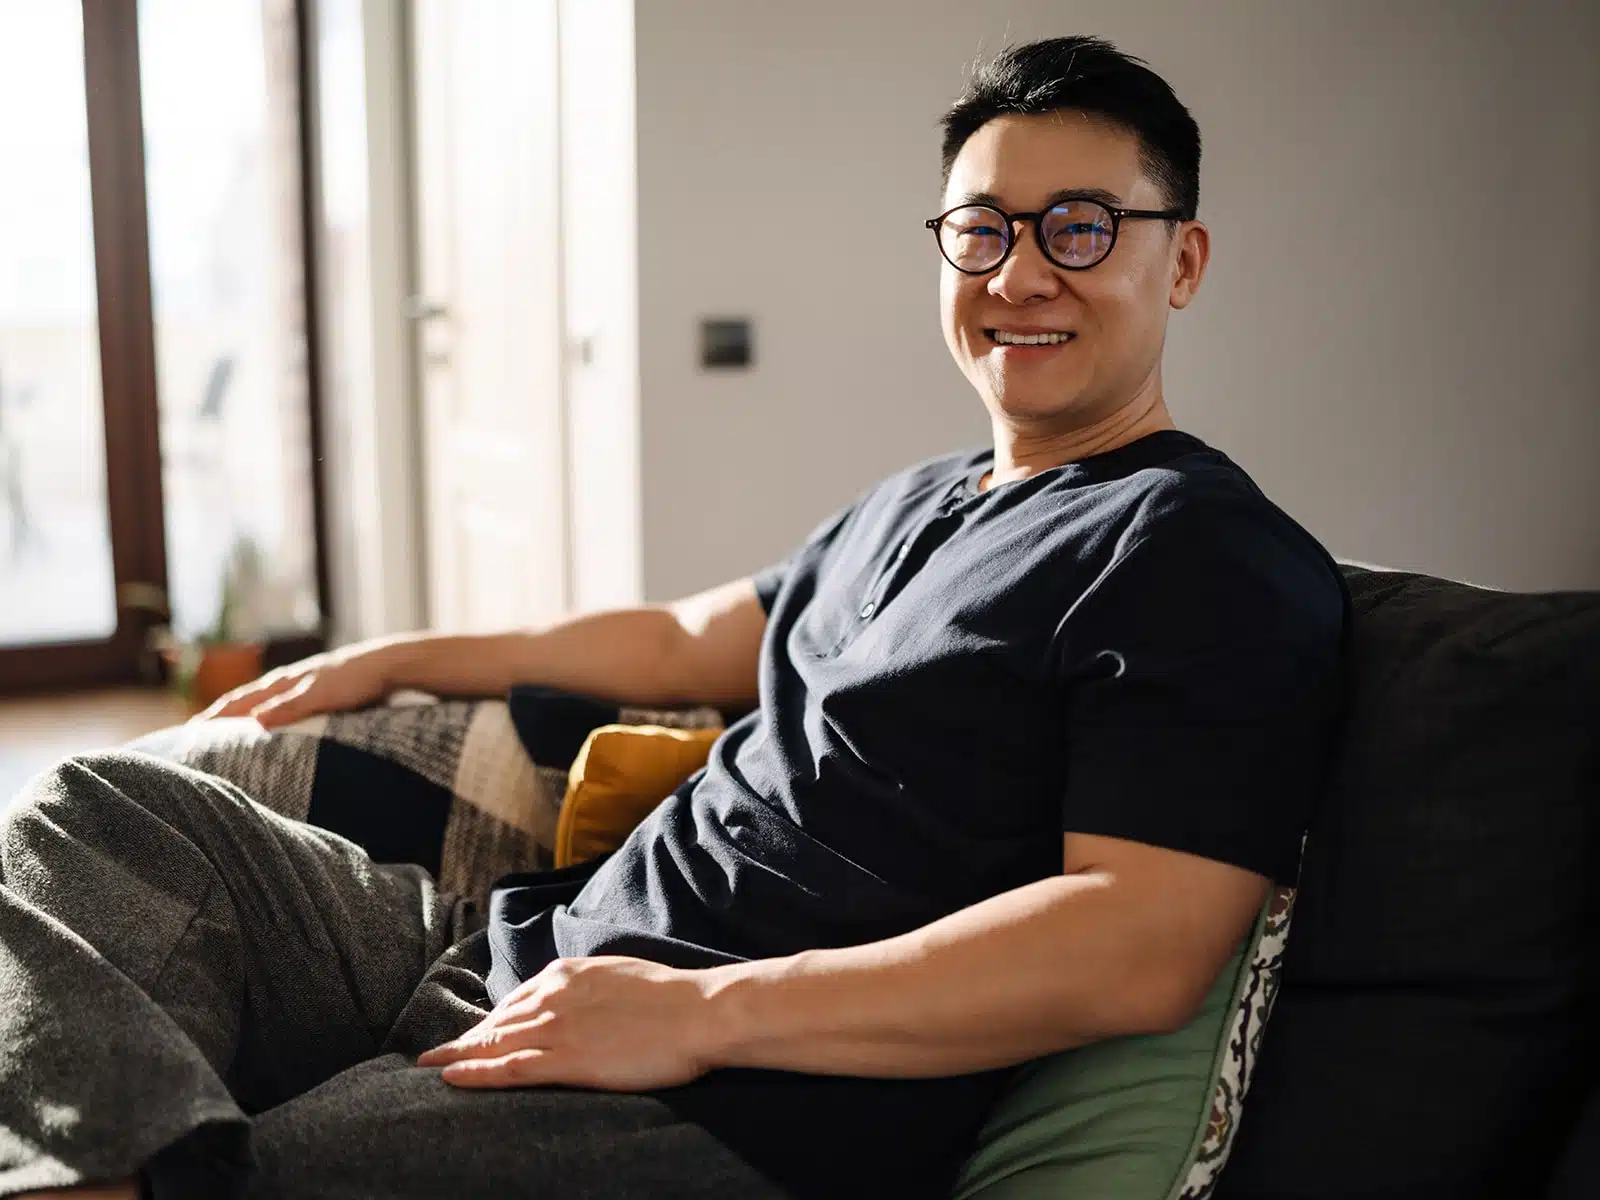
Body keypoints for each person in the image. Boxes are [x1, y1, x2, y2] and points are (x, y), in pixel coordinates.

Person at [0, 35, 1347, 1200]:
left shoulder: (1199, 552)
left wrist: (700, 1014)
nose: (1020, 273)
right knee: (91, 814)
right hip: (523, 945)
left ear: (1184, 262)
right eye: (984, 228)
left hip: (728, 1099)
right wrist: (388, 658)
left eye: (1082, 226)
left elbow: (1140, 948)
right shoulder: (921, 499)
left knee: (279, 1166)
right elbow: (673, 644)